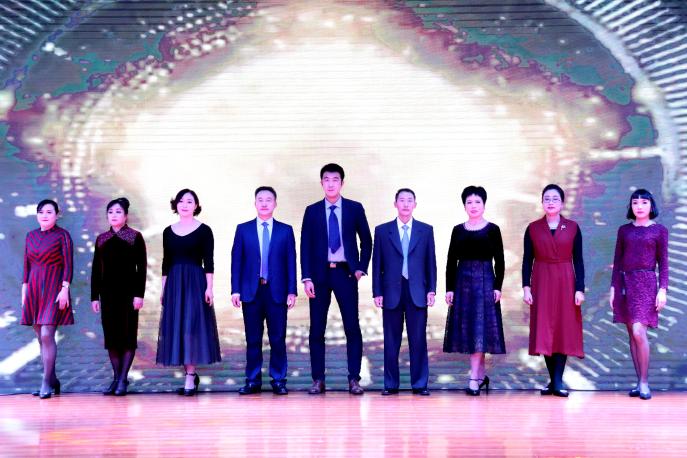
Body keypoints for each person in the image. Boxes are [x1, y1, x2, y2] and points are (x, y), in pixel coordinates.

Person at [300, 163, 372, 395]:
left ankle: (354, 380)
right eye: (326, 179)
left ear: (342, 182)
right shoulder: (312, 211)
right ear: (321, 183)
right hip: (319, 275)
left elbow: (366, 240)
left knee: (352, 327)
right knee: (316, 330)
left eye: (335, 179)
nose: (331, 184)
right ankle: (318, 380)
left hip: (345, 273)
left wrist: (360, 268)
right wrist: (306, 277)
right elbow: (305, 245)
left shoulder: (354, 208)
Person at [231, 186, 297, 395]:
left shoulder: (285, 230)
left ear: (275, 204)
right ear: (255, 203)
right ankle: (253, 380)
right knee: (253, 339)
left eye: (269, 199)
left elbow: (291, 262)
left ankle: (278, 380)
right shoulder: (243, 229)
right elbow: (236, 262)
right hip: (251, 291)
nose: (264, 203)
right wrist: (235, 290)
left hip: (277, 292)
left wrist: (292, 291)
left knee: (277, 338)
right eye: (260, 199)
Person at [156, 189, 221, 396]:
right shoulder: (168, 231)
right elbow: (166, 263)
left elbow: (209, 262)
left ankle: (190, 376)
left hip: (195, 282)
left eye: (189, 201)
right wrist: (164, 288)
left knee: (191, 328)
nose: (185, 204)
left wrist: (209, 287)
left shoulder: (204, 230)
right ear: (176, 205)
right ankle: (189, 374)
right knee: (179, 327)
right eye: (181, 201)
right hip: (175, 283)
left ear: (196, 206)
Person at [522, 184, 585, 397]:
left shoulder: (573, 227)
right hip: (541, 280)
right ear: (542, 202)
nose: (550, 202)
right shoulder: (533, 228)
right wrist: (526, 287)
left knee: (563, 329)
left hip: (566, 281)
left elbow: (579, 260)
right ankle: (555, 381)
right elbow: (527, 260)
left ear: (562, 203)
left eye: (555, 198)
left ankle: (556, 381)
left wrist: (579, 289)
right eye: (547, 198)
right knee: (545, 329)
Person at [372, 188, 436, 396]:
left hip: (417, 291)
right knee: (391, 341)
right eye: (402, 200)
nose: (406, 204)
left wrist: (432, 289)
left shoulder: (425, 230)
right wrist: (377, 291)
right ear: (395, 204)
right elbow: (377, 264)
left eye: (410, 200)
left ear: (415, 204)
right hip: (391, 292)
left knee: (418, 340)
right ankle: (391, 384)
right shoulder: (383, 231)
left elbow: (431, 263)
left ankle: (420, 384)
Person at [443, 186, 506, 396]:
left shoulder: (493, 229)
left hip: (485, 282)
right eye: (469, 202)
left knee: (480, 330)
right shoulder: (457, 230)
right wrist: (449, 288)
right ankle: (480, 376)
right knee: (471, 330)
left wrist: (497, 286)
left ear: (484, 205)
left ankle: (473, 379)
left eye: (477, 202)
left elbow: (500, 261)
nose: (473, 206)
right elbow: (451, 261)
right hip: (463, 283)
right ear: (464, 206)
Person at [610, 189, 669, 400]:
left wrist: (663, 289)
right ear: (631, 206)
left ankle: (644, 382)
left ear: (651, 206)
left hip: (647, 283)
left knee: (638, 331)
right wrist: (613, 288)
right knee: (631, 334)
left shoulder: (659, 231)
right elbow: (617, 261)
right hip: (626, 283)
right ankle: (639, 382)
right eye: (635, 202)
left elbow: (664, 263)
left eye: (644, 202)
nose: (639, 206)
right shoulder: (624, 230)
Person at [91, 197, 147, 397]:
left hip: (129, 294)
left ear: (126, 215)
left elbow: (141, 269)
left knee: (127, 337)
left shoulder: (134, 237)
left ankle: (123, 379)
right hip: (107, 294)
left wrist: (139, 295)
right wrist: (94, 296)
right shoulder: (102, 239)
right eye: (110, 212)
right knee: (112, 338)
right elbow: (96, 269)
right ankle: (117, 378)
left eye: (118, 212)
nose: (114, 215)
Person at [21, 199, 74, 399]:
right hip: (34, 289)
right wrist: (24, 291)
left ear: (57, 215)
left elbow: (68, 264)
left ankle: (46, 382)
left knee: (46, 334)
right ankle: (53, 379)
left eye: (49, 212)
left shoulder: (63, 235)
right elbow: (26, 266)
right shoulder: (31, 236)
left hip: (54, 288)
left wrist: (65, 289)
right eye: (41, 212)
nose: (44, 215)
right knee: (40, 337)